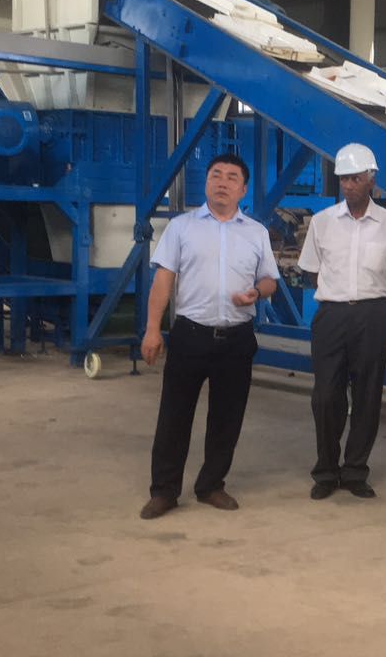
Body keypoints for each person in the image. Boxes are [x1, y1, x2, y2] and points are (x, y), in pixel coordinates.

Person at [138, 153, 279, 520]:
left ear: (243, 190)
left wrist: (257, 292)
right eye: (216, 175)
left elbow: (270, 280)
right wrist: (152, 329)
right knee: (174, 416)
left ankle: (211, 485)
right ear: (206, 182)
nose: (222, 182)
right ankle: (164, 491)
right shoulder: (181, 228)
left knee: (227, 417)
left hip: (237, 339)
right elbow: (163, 282)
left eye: (232, 177)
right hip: (190, 335)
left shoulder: (256, 233)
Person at [299, 143, 386, 501]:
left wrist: (373, 305)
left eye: (355, 178)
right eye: (344, 179)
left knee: (367, 394)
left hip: (372, 316)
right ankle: (326, 471)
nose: (348, 185)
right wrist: (339, 296)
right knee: (325, 396)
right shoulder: (322, 222)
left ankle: (355, 471)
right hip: (331, 316)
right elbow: (312, 272)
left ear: (371, 179)